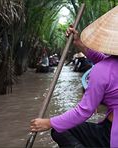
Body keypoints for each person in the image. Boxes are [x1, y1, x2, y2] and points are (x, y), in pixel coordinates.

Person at [30, 6, 118, 148]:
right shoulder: (106, 67)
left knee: (60, 130)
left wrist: (48, 122)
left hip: (113, 136)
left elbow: (85, 111)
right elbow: (107, 63)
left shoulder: (102, 70)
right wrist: (78, 43)